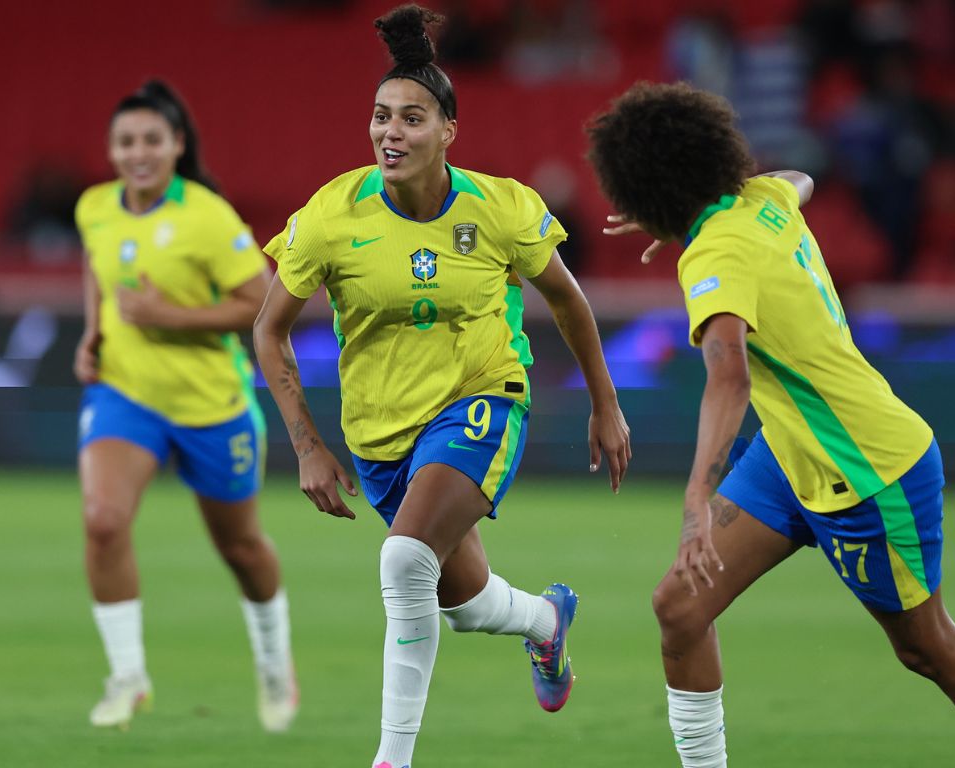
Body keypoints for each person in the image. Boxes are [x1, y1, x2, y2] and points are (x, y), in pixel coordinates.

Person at [585, 82, 955, 768]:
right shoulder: (763, 199)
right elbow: (796, 178)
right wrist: (674, 212)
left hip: (868, 468)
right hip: (790, 457)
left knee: (927, 648)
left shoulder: (713, 254)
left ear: (647, 189)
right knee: (680, 609)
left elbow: (729, 378)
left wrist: (696, 498)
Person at [252, 7, 630, 767]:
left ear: (449, 130)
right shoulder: (333, 215)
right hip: (381, 437)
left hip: (483, 400)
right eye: (381, 116)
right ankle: (546, 624)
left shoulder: (501, 208)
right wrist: (308, 446)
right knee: (462, 605)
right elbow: (268, 329)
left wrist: (605, 401)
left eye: (412, 119)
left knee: (400, 564)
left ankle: (391, 759)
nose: (391, 133)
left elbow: (566, 299)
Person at [73, 80, 297, 732]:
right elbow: (95, 265)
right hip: (126, 394)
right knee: (103, 520)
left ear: (176, 144)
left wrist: (165, 316)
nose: (137, 152)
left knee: (242, 549)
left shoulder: (207, 216)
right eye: (125, 141)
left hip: (211, 406)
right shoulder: (94, 207)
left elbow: (260, 306)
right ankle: (127, 678)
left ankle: (275, 664)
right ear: (111, 150)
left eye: (150, 139)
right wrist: (94, 330)